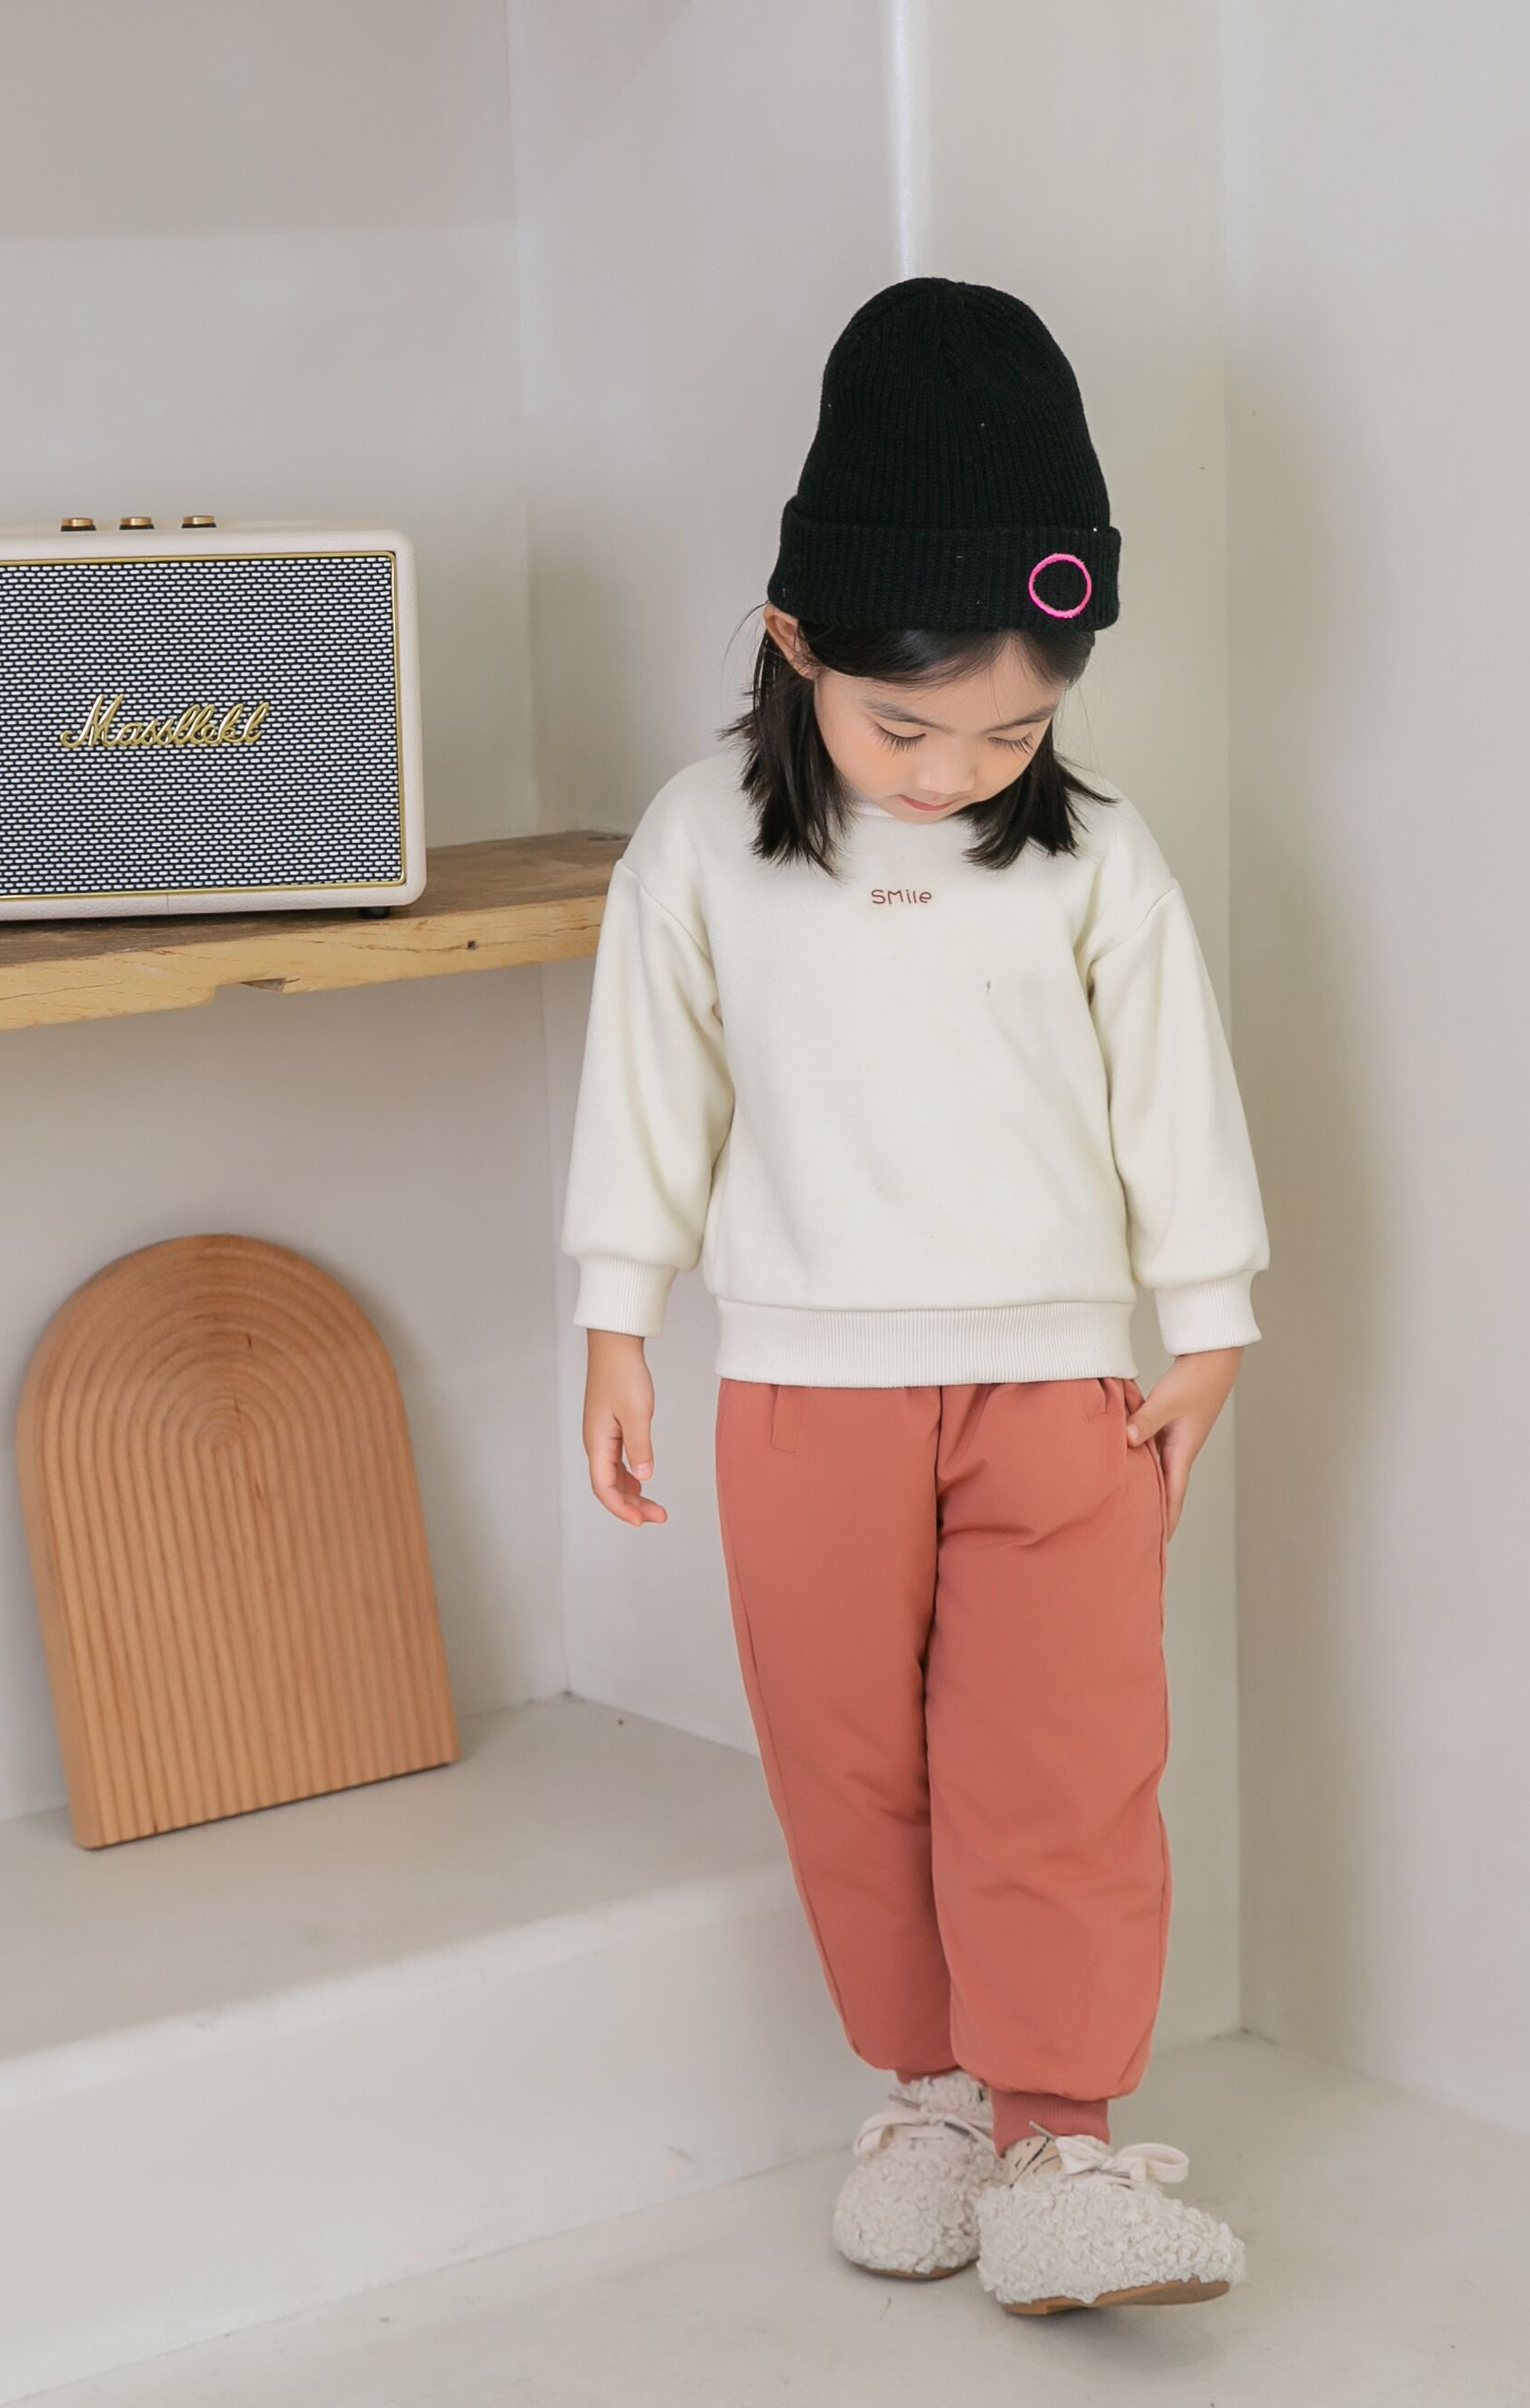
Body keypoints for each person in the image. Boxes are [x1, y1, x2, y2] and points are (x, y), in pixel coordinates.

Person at [558, 276, 1270, 2316]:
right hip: (803, 1393)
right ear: (795, 642)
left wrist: (1206, 1321)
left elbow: (1172, 1088)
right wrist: (616, 1318)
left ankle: (1061, 2139)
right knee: (850, 1760)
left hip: (1061, 1394)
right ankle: (933, 2097)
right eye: (907, 725)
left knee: (1066, 1760)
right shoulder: (702, 845)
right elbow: (651, 1084)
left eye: (1014, 729)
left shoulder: (1095, 857)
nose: (960, 769)